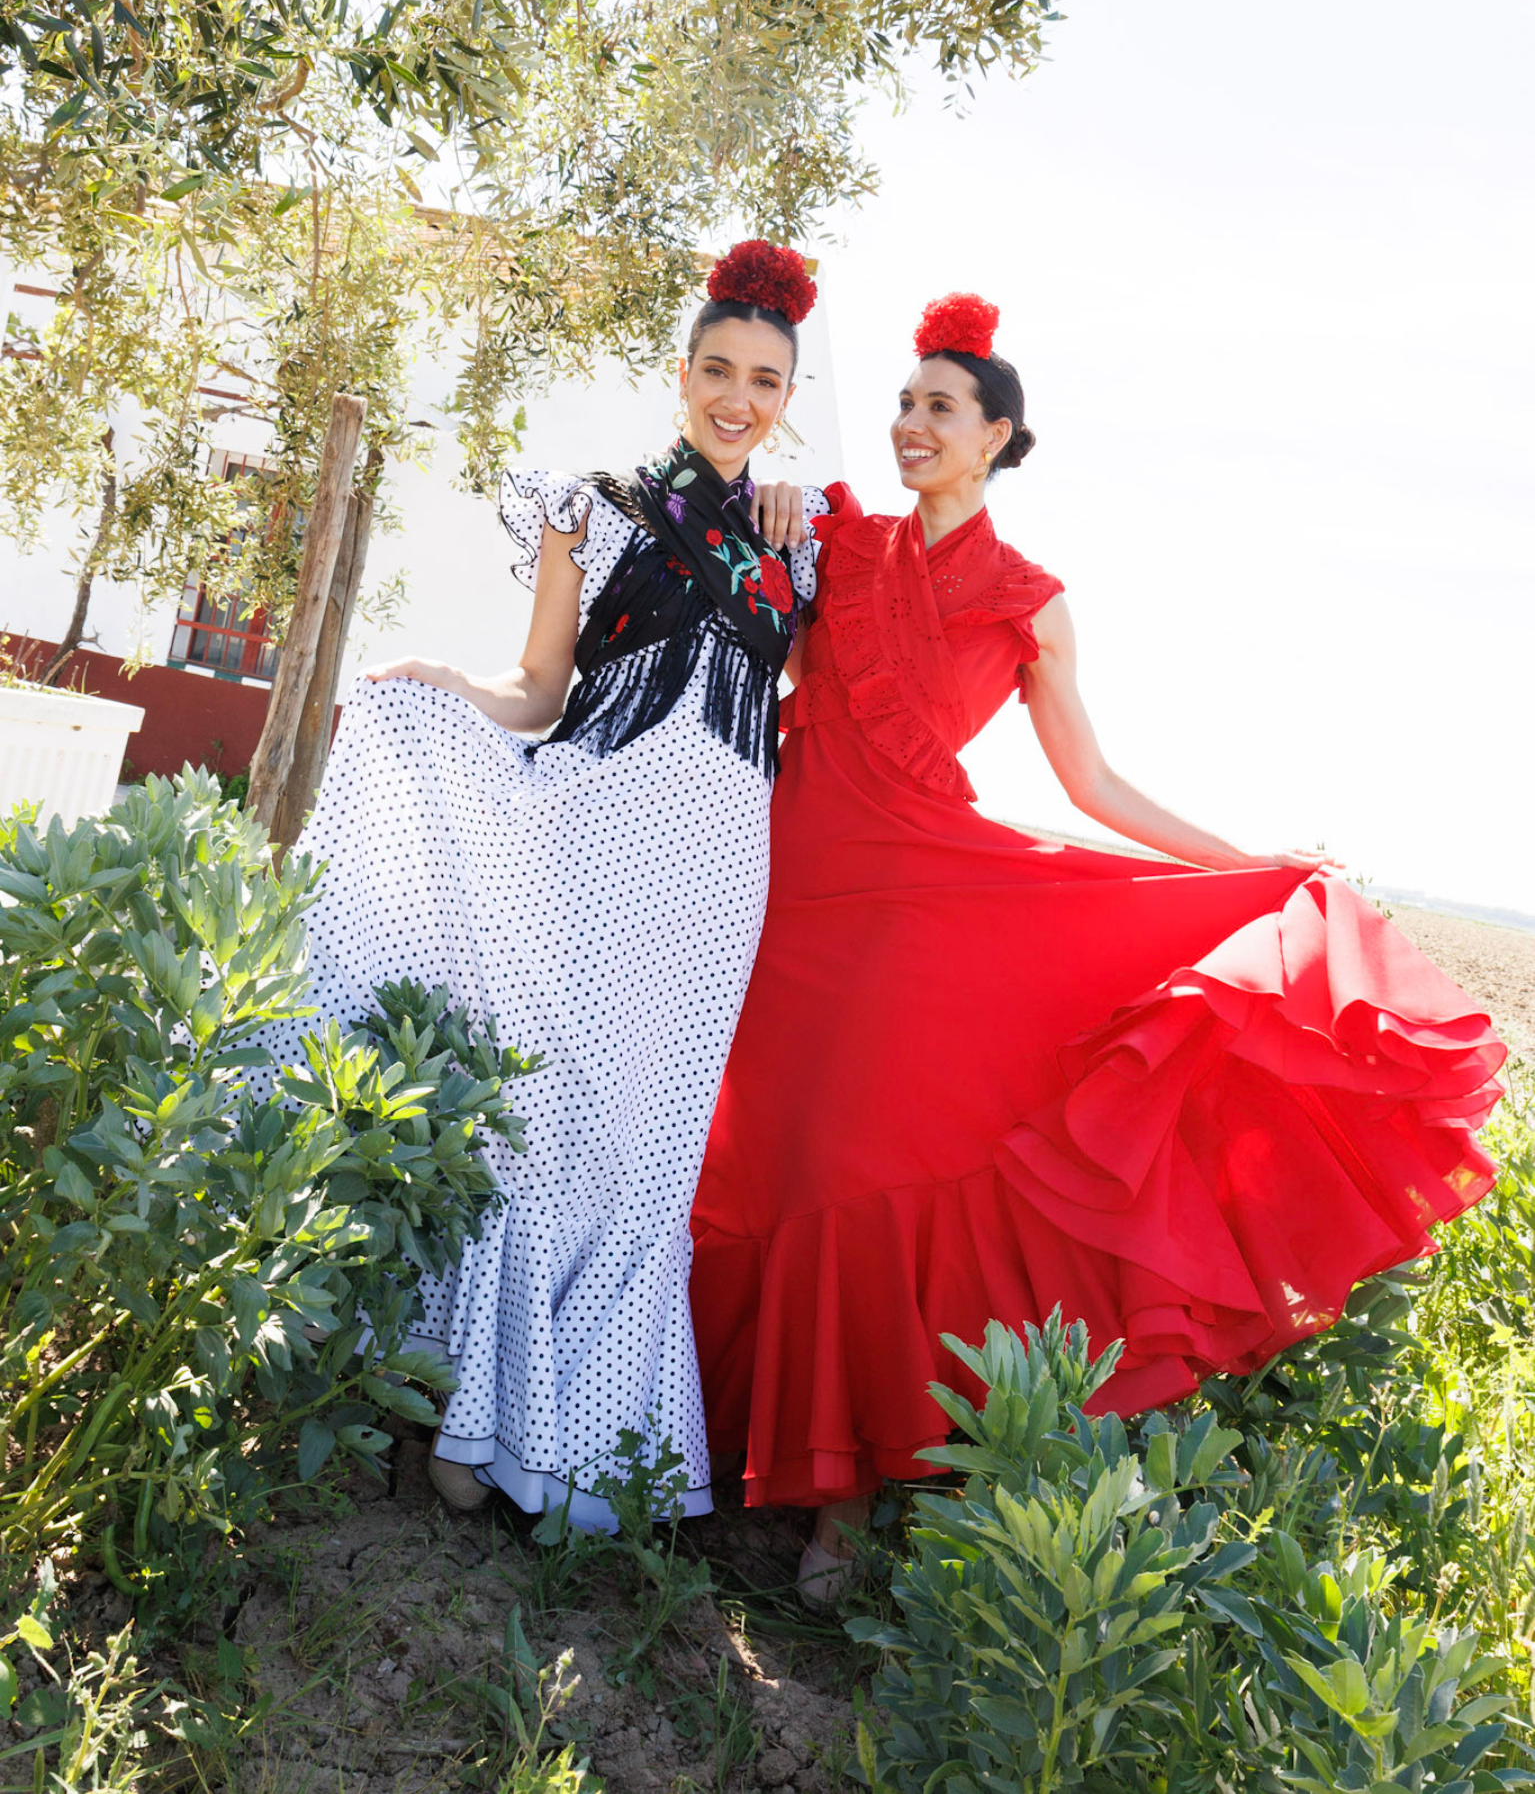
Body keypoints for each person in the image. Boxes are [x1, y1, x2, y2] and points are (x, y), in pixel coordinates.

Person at [689, 291, 1506, 1600]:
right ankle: (713, 1441)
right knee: (768, 1164)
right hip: (789, 892)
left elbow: (1092, 784)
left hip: (917, 913)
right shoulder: (834, 532)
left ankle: (839, 1501)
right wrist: (774, 507)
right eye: (903, 401)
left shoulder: (1029, 601)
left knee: (853, 1167)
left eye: (938, 408)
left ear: (996, 434)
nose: (909, 422)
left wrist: (1250, 866)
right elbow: (729, 605)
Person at [295, 240, 830, 1529]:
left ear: (787, 393)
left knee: (646, 1156)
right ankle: (468, 1427)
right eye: (717, 370)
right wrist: (443, 685)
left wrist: (801, 509)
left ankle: (585, 1451)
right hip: (591, 835)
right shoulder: (595, 506)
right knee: (545, 1128)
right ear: (680, 373)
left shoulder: (801, 550)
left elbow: (815, 702)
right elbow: (540, 688)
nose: (737, 399)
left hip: (714, 873)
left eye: (764, 379)